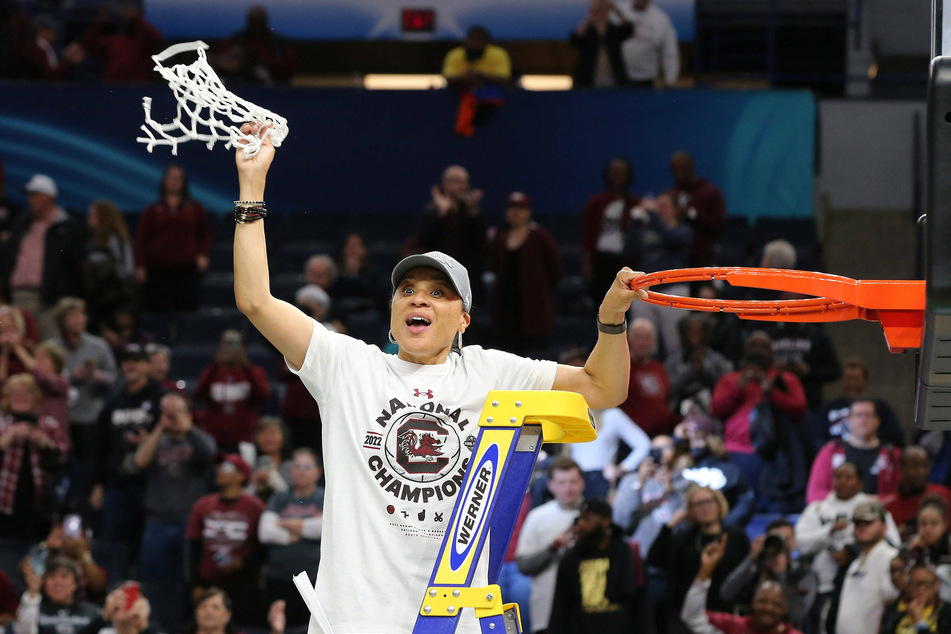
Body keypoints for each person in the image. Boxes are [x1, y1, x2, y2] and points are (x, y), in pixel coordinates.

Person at [231, 119, 644, 634]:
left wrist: (610, 320)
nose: (418, 298)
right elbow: (255, 301)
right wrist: (252, 187)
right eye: (407, 290)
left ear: (464, 318)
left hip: (457, 623)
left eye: (438, 292)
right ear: (391, 313)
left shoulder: (494, 370)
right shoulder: (349, 365)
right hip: (355, 622)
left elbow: (605, 388)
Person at [134, 393, 217, 633]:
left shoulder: (199, 439)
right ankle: (157, 627)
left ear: (188, 413)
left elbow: (208, 455)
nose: (171, 417)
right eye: (166, 412)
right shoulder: (156, 440)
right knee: (153, 579)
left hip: (188, 521)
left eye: (176, 411)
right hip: (157, 520)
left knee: (186, 580)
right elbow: (139, 461)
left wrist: (186, 427)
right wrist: (161, 426)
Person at [794, 461, 900, 634]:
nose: (842, 481)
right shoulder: (817, 509)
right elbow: (800, 545)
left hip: (868, 582)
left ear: (860, 482)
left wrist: (852, 551)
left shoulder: (872, 507)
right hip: (820, 586)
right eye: (838, 477)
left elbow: (893, 543)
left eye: (849, 477)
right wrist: (828, 532)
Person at [710, 330, 807, 496]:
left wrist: (773, 393)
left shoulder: (785, 379)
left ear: (771, 352)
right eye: (753, 345)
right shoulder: (731, 379)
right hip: (736, 451)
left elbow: (800, 409)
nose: (758, 350)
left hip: (775, 455)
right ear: (745, 350)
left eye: (764, 346)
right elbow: (716, 410)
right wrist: (739, 388)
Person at [89, 343, 165, 556]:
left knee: (146, 546)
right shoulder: (113, 402)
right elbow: (101, 446)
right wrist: (97, 484)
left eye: (137, 361)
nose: (131, 365)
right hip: (117, 484)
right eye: (126, 361)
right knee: (114, 544)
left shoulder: (160, 398)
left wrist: (149, 441)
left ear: (147, 366)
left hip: (152, 484)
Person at [646, 484, 750, 634]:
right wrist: (671, 525)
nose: (704, 507)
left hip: (726, 614)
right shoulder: (683, 538)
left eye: (709, 501)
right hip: (686, 614)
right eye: (698, 504)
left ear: (719, 504)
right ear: (690, 510)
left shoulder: (737, 537)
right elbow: (654, 559)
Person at [187, 454, 266, 629]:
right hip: (209, 583)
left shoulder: (255, 507)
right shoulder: (202, 505)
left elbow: (262, 548)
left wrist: (244, 563)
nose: (220, 471)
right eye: (219, 467)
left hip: (244, 584)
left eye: (227, 468)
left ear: (241, 475)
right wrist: (196, 584)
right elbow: (193, 547)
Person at [3, 174, 85, 340]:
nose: (30, 200)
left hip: (49, 301)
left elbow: (75, 264)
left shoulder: (66, 226)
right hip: (18, 297)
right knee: (17, 346)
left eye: (35, 195)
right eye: (29, 196)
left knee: (50, 347)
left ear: (49, 197)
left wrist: (59, 292)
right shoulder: (22, 224)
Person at [547, 498, 639, 634]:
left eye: (587, 519)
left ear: (606, 521)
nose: (581, 524)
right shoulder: (571, 558)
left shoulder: (624, 552)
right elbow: (561, 606)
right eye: (580, 519)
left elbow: (639, 601)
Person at [516, 457, 587, 634]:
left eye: (573, 482)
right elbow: (524, 566)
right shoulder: (537, 517)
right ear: (551, 485)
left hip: (587, 613)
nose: (568, 488)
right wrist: (552, 548)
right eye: (561, 482)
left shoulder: (594, 516)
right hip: (546, 612)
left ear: (582, 483)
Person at [489, 191, 562, 355]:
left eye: (520, 209)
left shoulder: (540, 237)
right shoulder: (500, 239)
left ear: (528, 212)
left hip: (533, 309)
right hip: (506, 308)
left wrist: (540, 291)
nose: (515, 213)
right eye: (512, 208)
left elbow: (555, 269)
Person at [49, 297, 116, 474]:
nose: (80, 320)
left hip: (91, 415)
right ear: (62, 320)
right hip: (60, 418)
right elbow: (44, 378)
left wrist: (101, 377)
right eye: (74, 316)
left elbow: (114, 377)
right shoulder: (51, 348)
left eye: (82, 315)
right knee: (60, 466)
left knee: (89, 465)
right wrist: (71, 376)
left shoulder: (99, 346)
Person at [134, 164, 213, 315]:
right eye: (171, 177)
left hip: (187, 269)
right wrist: (139, 265)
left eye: (178, 178)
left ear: (184, 182)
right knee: (158, 312)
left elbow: (207, 235)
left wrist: (203, 254)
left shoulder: (195, 208)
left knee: (187, 311)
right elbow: (141, 239)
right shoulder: (152, 210)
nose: (174, 181)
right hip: (157, 270)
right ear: (164, 181)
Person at [259, 448, 324, 630]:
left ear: (317, 472)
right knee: (277, 626)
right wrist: (303, 530)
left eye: (307, 466)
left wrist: (286, 523)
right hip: (278, 576)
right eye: (297, 466)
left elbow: (324, 529)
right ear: (290, 471)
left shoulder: (324, 496)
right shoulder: (280, 497)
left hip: (312, 577)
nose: (301, 471)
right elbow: (265, 532)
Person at [681, 537, 802, 634]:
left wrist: (781, 572)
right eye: (762, 601)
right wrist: (706, 569)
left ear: (785, 608)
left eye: (776, 604)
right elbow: (692, 617)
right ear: (753, 602)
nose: (768, 608)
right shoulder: (732, 627)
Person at [0, 373, 69, 541]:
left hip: (40, 503)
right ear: (7, 398)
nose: (20, 397)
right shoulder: (2, 425)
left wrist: (43, 441)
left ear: (35, 397)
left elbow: (63, 459)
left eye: (26, 393)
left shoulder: (48, 424)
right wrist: (10, 436)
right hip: (4, 502)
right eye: (15, 393)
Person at [411, 165, 488, 307]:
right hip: (437, 275)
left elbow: (482, 243)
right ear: (445, 184)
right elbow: (423, 240)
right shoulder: (432, 210)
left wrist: (474, 214)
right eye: (453, 181)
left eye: (462, 182)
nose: (458, 186)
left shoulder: (472, 211)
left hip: (468, 278)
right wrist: (441, 214)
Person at [720, 519, 817, 629]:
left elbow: (797, 615)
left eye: (786, 539)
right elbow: (726, 594)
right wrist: (750, 559)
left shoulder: (805, 574)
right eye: (775, 538)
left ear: (794, 543)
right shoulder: (755, 568)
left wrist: (781, 574)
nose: (781, 543)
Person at [806, 398, 901, 504]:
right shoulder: (830, 452)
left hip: (878, 515)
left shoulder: (892, 455)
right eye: (858, 415)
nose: (863, 420)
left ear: (877, 420)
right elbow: (814, 494)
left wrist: (875, 501)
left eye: (868, 415)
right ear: (849, 419)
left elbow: (901, 496)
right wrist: (849, 502)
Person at [193, 330, 271, 453]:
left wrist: (245, 365)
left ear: (242, 347)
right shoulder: (212, 372)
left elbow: (264, 396)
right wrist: (216, 364)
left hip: (244, 440)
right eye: (227, 344)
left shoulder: (254, 372)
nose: (230, 349)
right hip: (215, 438)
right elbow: (199, 394)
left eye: (235, 344)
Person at [831, 501, 900, 634]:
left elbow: (892, 606)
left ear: (884, 526)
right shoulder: (855, 563)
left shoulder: (891, 558)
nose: (862, 527)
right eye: (858, 523)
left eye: (868, 523)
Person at [580, 158, 639, 304]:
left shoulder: (635, 204)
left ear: (629, 176)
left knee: (625, 304)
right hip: (600, 261)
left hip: (626, 261)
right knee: (601, 304)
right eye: (614, 172)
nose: (617, 176)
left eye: (621, 173)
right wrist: (587, 264)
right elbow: (588, 234)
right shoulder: (596, 202)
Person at [815, 357, 904, 452]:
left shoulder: (879, 407)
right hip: (836, 459)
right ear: (841, 380)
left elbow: (896, 438)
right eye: (848, 379)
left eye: (857, 379)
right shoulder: (829, 408)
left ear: (866, 380)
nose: (852, 384)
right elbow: (817, 440)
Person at [20, 517, 108, 604]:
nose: (69, 536)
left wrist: (83, 553)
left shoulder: (88, 563)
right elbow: (25, 569)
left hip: (82, 613)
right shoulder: (48, 558)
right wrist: (46, 545)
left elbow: (99, 587)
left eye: (75, 533)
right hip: (47, 609)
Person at [763, 322, 842, 414]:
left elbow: (834, 370)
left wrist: (810, 370)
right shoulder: (768, 334)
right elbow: (754, 366)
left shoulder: (817, 336)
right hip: (772, 404)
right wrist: (772, 368)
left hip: (810, 403)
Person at [666, 151, 727, 267]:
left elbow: (718, 225)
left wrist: (690, 214)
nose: (679, 173)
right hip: (671, 255)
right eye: (675, 170)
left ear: (692, 167)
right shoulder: (669, 195)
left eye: (683, 169)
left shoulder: (710, 192)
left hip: (700, 253)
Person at [665, 314, 733, 418]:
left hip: (711, 414)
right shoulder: (673, 361)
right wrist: (690, 370)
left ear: (706, 333)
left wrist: (705, 369)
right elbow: (668, 390)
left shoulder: (718, 360)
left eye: (699, 330)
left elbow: (725, 390)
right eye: (690, 330)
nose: (694, 334)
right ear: (684, 333)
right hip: (679, 414)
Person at [211, 5, 297, 85]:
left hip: (272, 84)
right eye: (253, 20)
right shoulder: (234, 41)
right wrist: (236, 62)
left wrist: (266, 61)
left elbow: (291, 65)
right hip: (238, 82)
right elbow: (219, 61)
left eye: (259, 20)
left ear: (265, 20)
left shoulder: (278, 42)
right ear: (248, 20)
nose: (256, 24)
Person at [83, 200, 136, 332]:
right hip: (95, 303)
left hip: (113, 305)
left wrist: (124, 309)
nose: (89, 218)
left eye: (94, 215)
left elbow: (126, 274)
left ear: (104, 217)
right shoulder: (90, 242)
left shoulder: (117, 240)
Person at [14, 556, 100, 634]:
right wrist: (33, 592)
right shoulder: (33, 609)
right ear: (44, 583)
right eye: (52, 576)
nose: (58, 582)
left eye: (64, 576)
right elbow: (23, 631)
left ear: (76, 583)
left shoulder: (93, 612)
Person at [881, 447, 951, 539]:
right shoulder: (888, 506)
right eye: (915, 466)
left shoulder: (943, 494)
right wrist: (897, 535)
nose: (921, 472)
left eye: (925, 466)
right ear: (901, 467)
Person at [82, 3, 162, 83]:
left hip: (138, 87)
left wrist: (136, 18)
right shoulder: (112, 41)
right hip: (113, 86)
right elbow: (89, 44)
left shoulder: (143, 42)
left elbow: (157, 39)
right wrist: (100, 22)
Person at [619, 318, 672, 437]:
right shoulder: (621, 367)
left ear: (653, 341)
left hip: (660, 435)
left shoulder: (659, 368)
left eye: (647, 337)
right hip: (630, 438)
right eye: (638, 337)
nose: (642, 342)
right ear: (629, 338)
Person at [570, 0, 633, 88]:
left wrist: (616, 10)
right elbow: (574, 40)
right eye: (597, 11)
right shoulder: (588, 32)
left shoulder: (613, 30)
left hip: (613, 82)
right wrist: (588, 19)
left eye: (603, 11)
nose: (600, 14)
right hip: (588, 81)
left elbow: (629, 29)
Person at [616, 0, 679, 87]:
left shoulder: (661, 19)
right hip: (617, 79)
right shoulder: (617, 12)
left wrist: (670, 79)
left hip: (646, 80)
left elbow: (670, 52)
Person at [880, 560, 951, 634]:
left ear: (937, 585)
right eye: (916, 584)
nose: (921, 589)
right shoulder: (895, 610)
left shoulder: (947, 613)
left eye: (926, 584)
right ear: (908, 586)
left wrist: (920, 623)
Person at [249, 416, 293, 502]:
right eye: (263, 433)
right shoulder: (249, 465)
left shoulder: (291, 466)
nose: (268, 438)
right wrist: (254, 483)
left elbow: (291, 498)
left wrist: (271, 477)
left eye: (273, 433)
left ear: (283, 436)